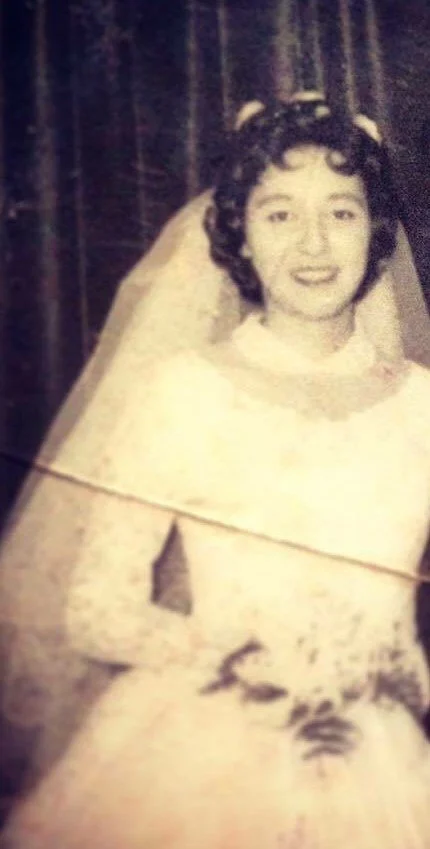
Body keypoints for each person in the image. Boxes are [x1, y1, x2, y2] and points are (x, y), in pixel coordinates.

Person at [2, 92, 430, 848]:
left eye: (340, 212)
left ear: (374, 231)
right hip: (203, 750)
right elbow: (98, 609)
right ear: (241, 233)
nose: (313, 243)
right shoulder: (181, 391)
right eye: (279, 214)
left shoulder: (422, 404)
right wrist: (246, 657)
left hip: (387, 765)